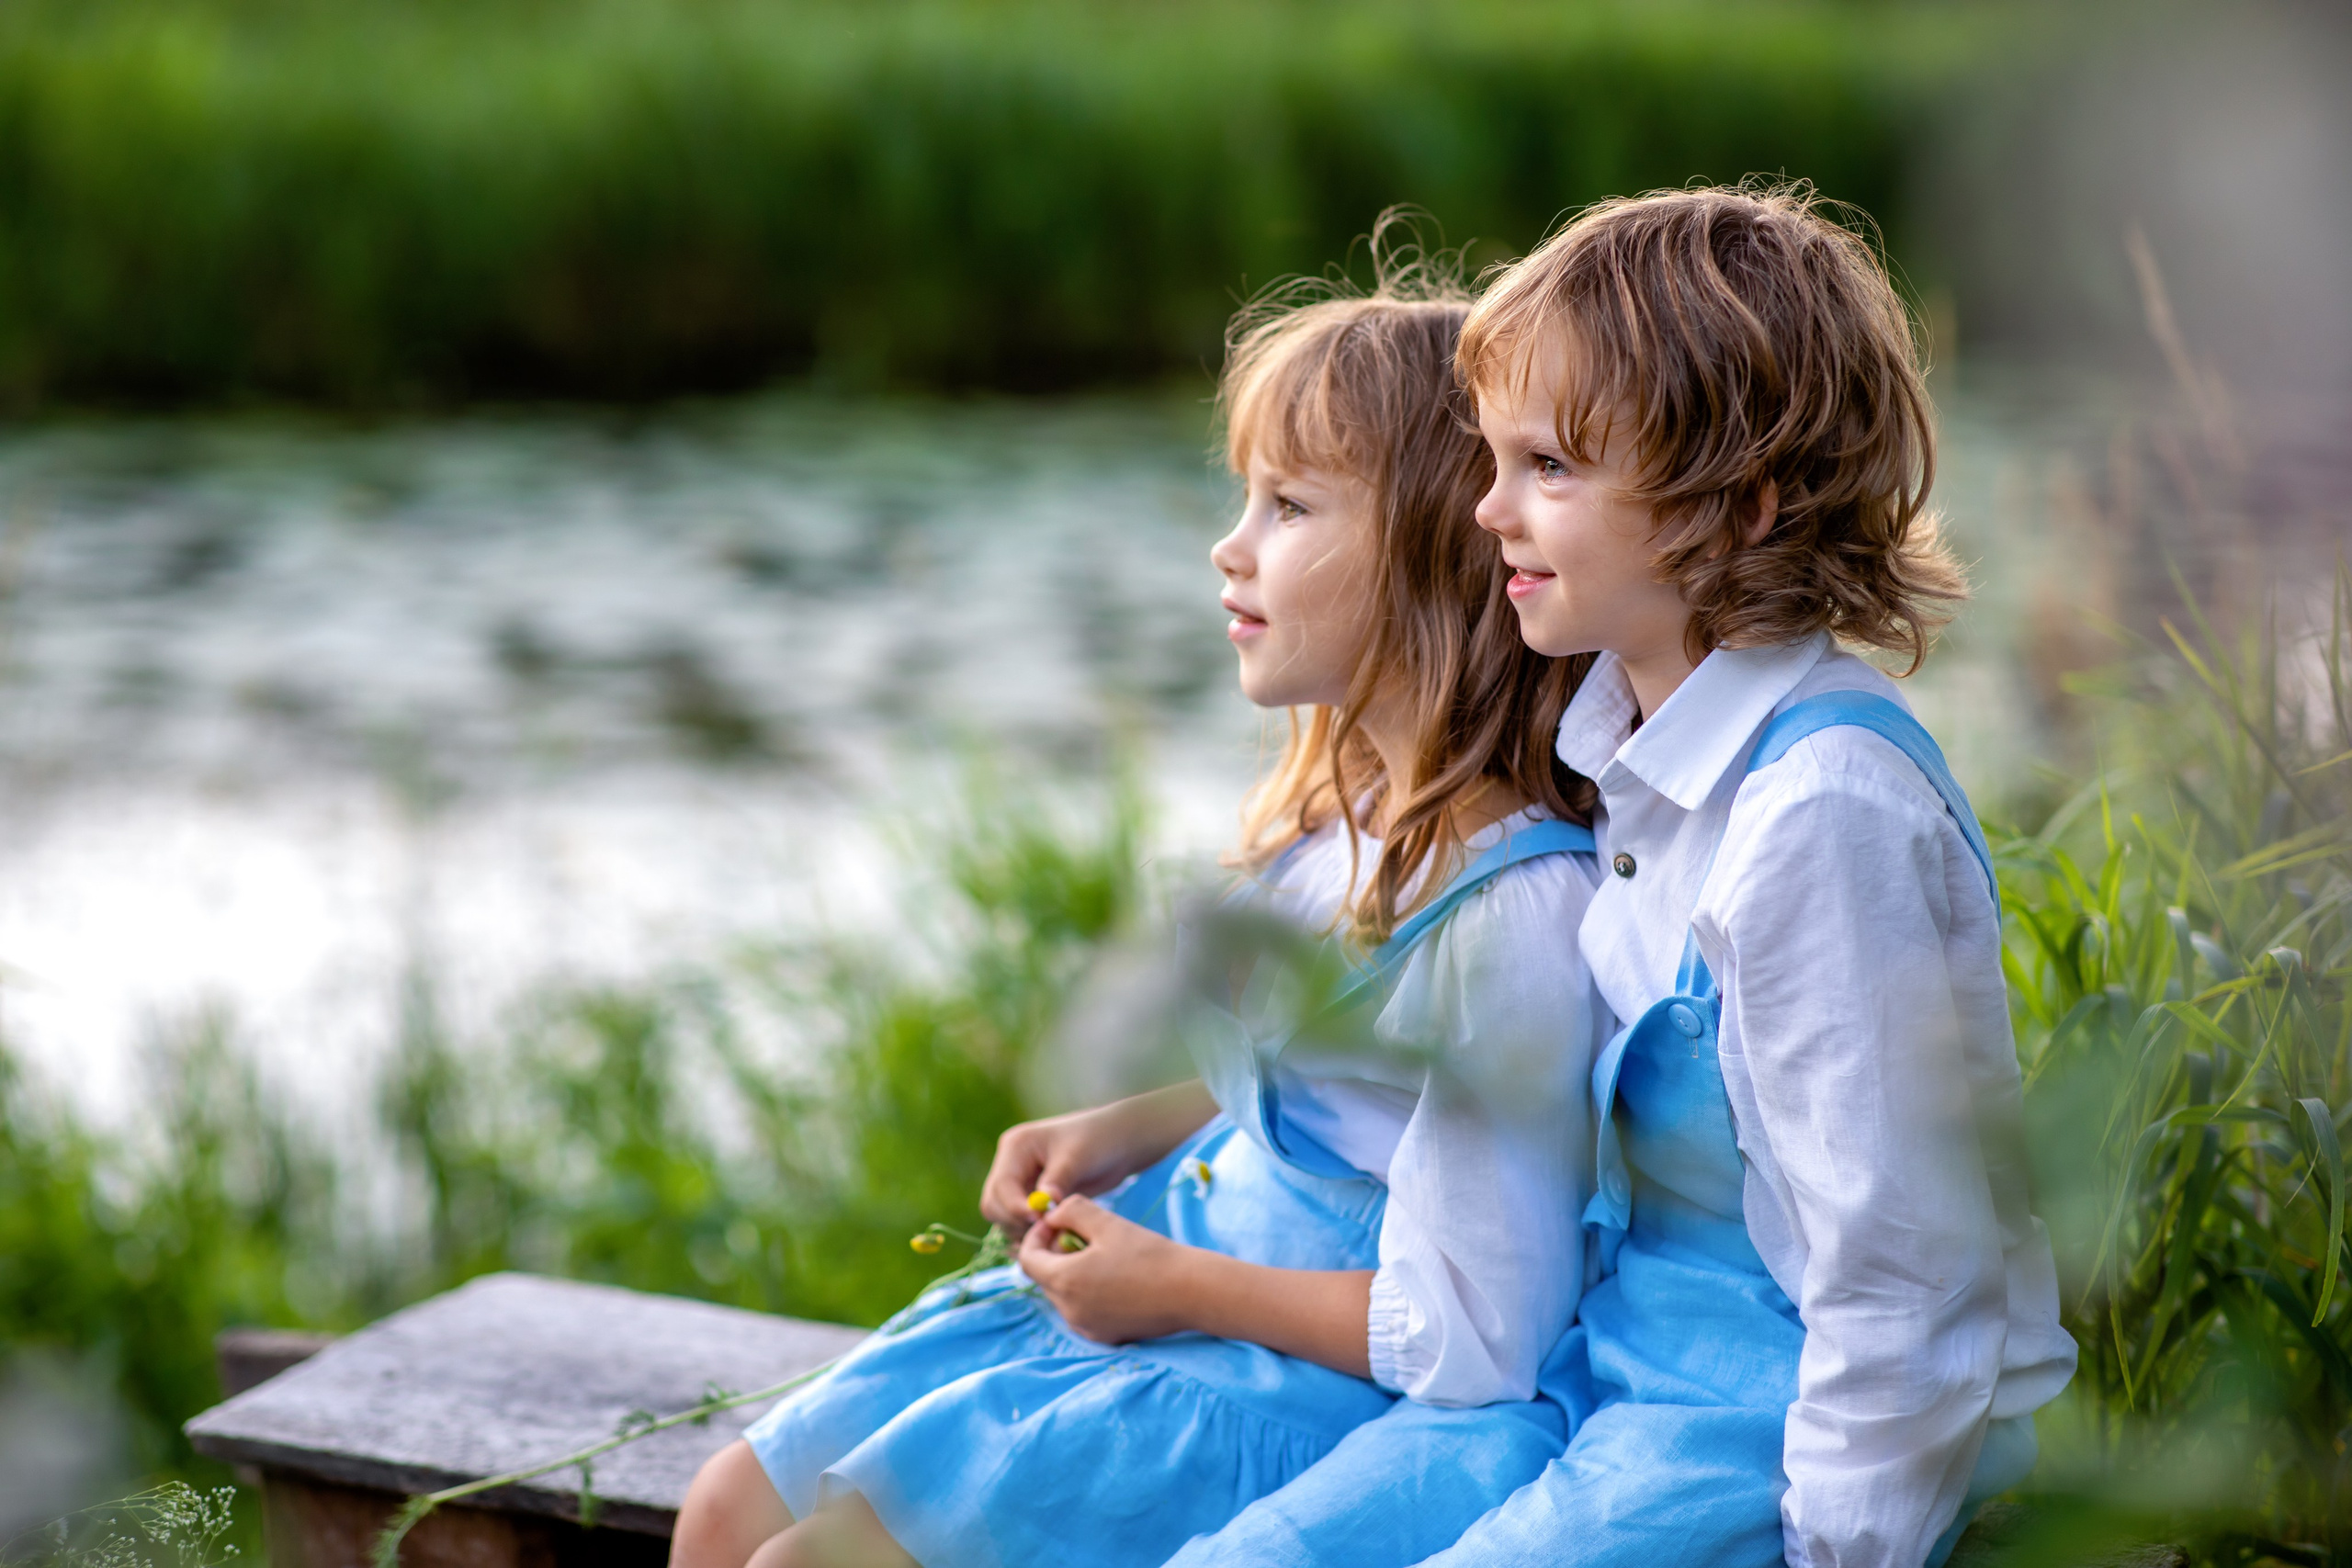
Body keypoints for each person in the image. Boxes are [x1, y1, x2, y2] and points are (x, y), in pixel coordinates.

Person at [669, 257, 1609, 1568]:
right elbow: (1335, 1083)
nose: (1231, 546)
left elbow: (1478, 1333)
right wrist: (1128, 1126)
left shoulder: (1512, 915)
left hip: (1278, 1375)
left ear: (1442, 558)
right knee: (723, 1514)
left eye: (1289, 506)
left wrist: (1173, 1291)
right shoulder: (1338, 822)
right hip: (1180, 1280)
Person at [1357, 183, 2075, 1568]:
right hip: (1632, 1385)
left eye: (1550, 468)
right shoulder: (1633, 751)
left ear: (1737, 506)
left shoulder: (1819, 811)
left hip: (1784, 1439)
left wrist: (1840, 1549)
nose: (1489, 508)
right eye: (1493, 458)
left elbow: (1901, 1280)